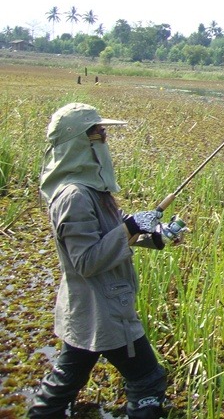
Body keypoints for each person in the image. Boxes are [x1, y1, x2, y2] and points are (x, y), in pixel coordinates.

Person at [29, 103, 176, 418]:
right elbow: (86, 260)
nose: (106, 137)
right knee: (147, 381)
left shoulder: (94, 192)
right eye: (99, 132)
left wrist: (158, 234)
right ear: (80, 141)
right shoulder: (74, 197)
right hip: (104, 309)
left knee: (67, 379)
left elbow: (117, 232)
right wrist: (133, 226)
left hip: (87, 310)